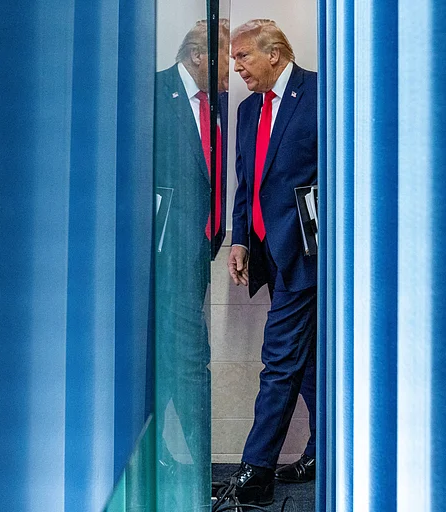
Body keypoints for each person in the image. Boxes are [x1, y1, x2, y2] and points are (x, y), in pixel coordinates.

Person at [226, 19, 318, 506]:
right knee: (306, 360)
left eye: (243, 56)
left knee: (280, 358)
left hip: (308, 253)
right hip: (269, 253)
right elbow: (247, 183)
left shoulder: (320, 94)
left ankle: (256, 470)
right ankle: (324, 448)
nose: (236, 67)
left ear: (275, 54)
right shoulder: (247, 110)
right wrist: (240, 240)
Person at [153, 19, 230, 510]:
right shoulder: (154, 93)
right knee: (190, 361)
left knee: (171, 360)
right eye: (224, 61)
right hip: (163, 256)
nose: (230, 72)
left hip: (197, 253)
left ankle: (160, 459)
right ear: (198, 56)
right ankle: (200, 476)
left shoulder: (213, 104)